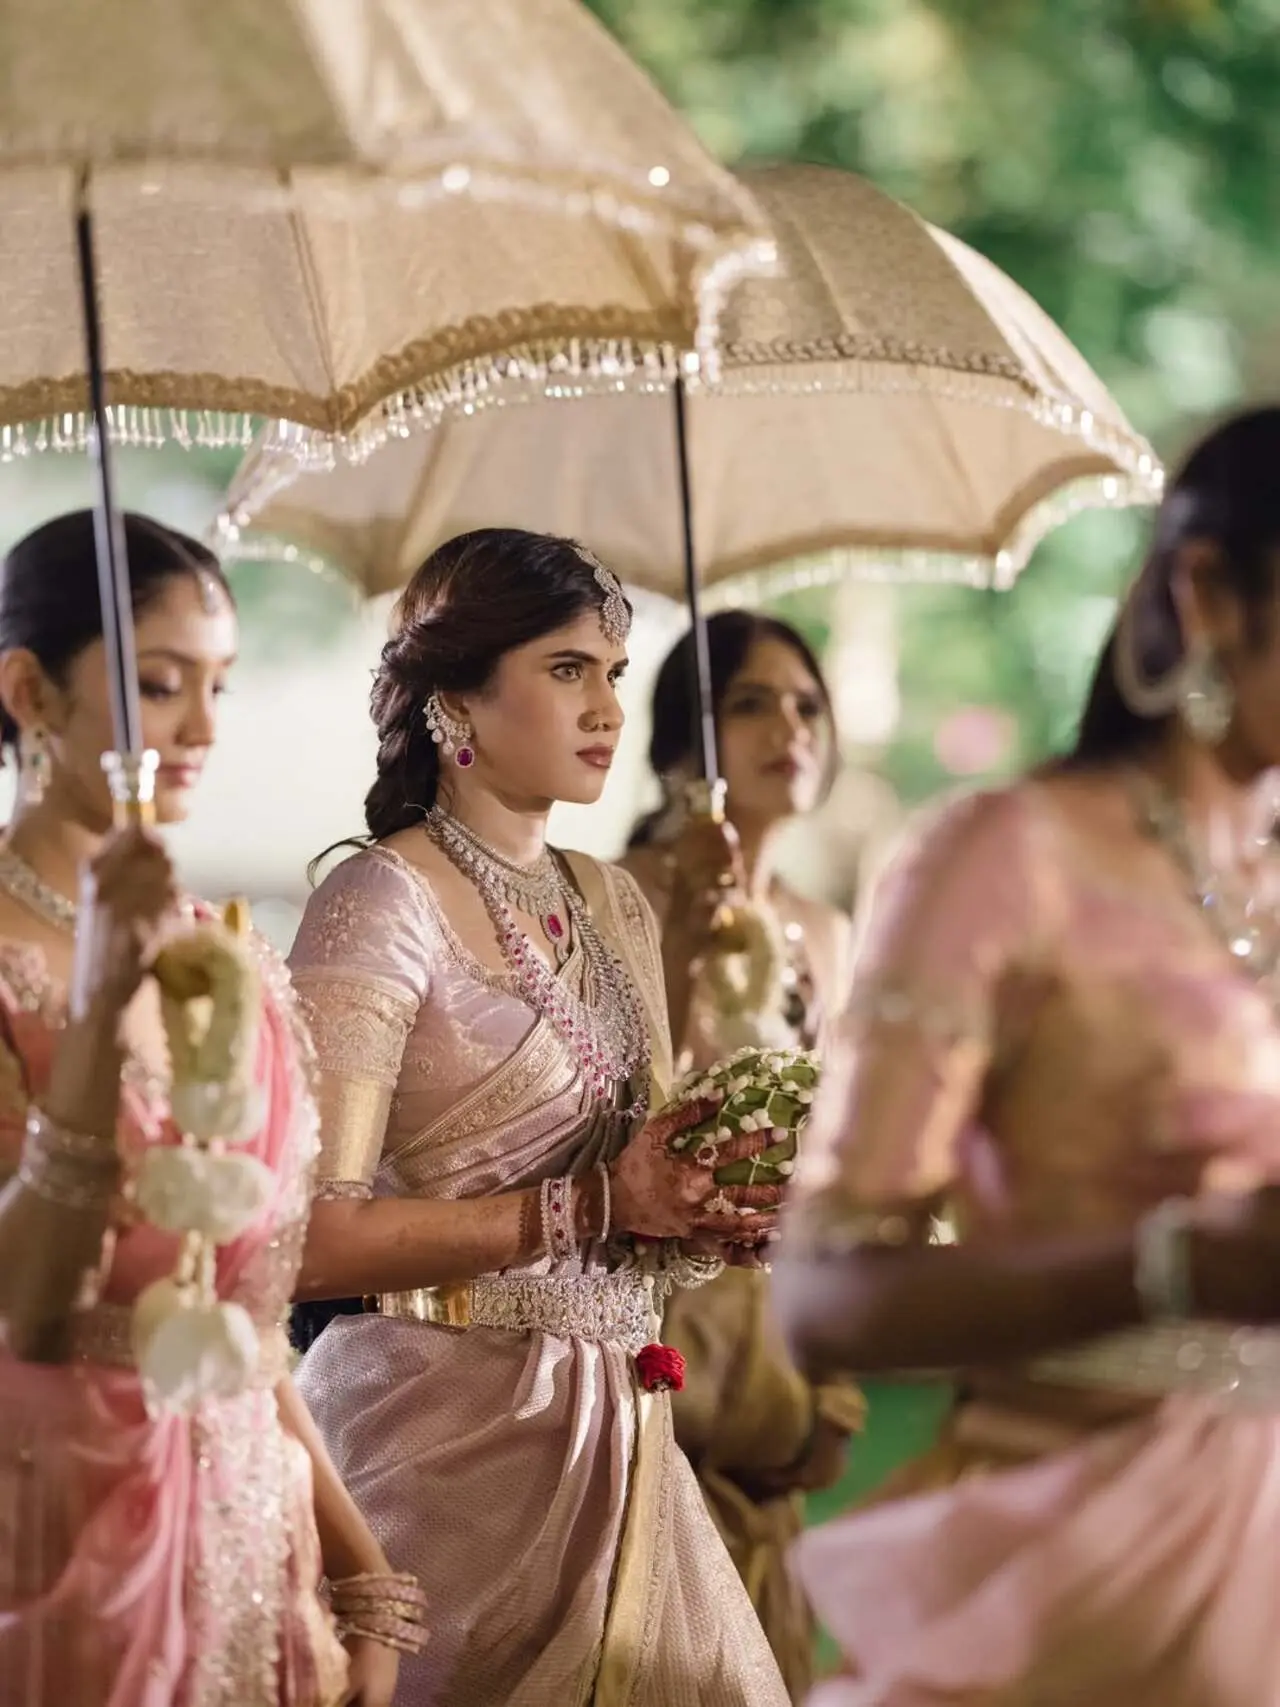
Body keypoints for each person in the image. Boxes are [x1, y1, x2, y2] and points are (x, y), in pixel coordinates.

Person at [773, 406, 1280, 1707]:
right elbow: (822, 1299)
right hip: (1074, 1574)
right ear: (1211, 590)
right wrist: (1177, 1264)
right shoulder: (1009, 858)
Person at [286, 529, 791, 1706]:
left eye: (613, 673)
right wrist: (597, 1204)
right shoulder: (378, 901)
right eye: (566, 670)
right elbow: (307, 1238)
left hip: (624, 1431)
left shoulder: (612, 901)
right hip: (446, 1443)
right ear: (455, 698)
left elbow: (638, 1188)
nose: (605, 705)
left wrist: (707, 1215)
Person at [0, 511, 418, 1707]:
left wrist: (358, 1567)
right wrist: (92, 1010)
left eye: (219, 686)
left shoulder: (223, 954)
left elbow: (236, 1310)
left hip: (245, 1528)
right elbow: (29, 1304)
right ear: (29, 688)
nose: (201, 730)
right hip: (57, 1519)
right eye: (159, 685)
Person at [621, 612, 864, 1700]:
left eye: (806, 704)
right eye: (751, 703)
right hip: (663, 1303)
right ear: (683, 743)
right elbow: (625, 1100)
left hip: (780, 1311)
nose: (789, 727)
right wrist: (685, 931)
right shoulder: (616, 889)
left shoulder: (822, 927)